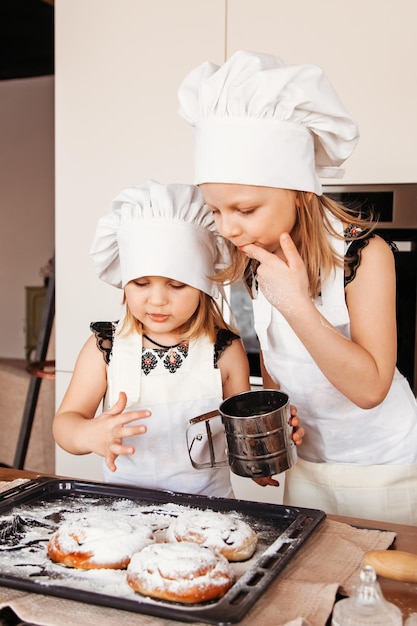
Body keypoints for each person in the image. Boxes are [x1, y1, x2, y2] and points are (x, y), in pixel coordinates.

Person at [177, 50, 417, 524]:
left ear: (300, 191)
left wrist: (296, 304)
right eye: (217, 210)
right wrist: (276, 427)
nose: (228, 228)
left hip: (386, 466)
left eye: (245, 209)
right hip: (310, 466)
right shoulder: (256, 257)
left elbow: (370, 388)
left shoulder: (364, 256)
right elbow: (275, 353)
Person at [52, 179, 302, 498]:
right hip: (126, 508)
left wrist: (259, 454)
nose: (157, 300)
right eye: (141, 283)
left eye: (177, 285)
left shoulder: (224, 350)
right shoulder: (106, 347)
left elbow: (243, 428)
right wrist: (88, 435)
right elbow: (65, 423)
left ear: (202, 286)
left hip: (210, 509)